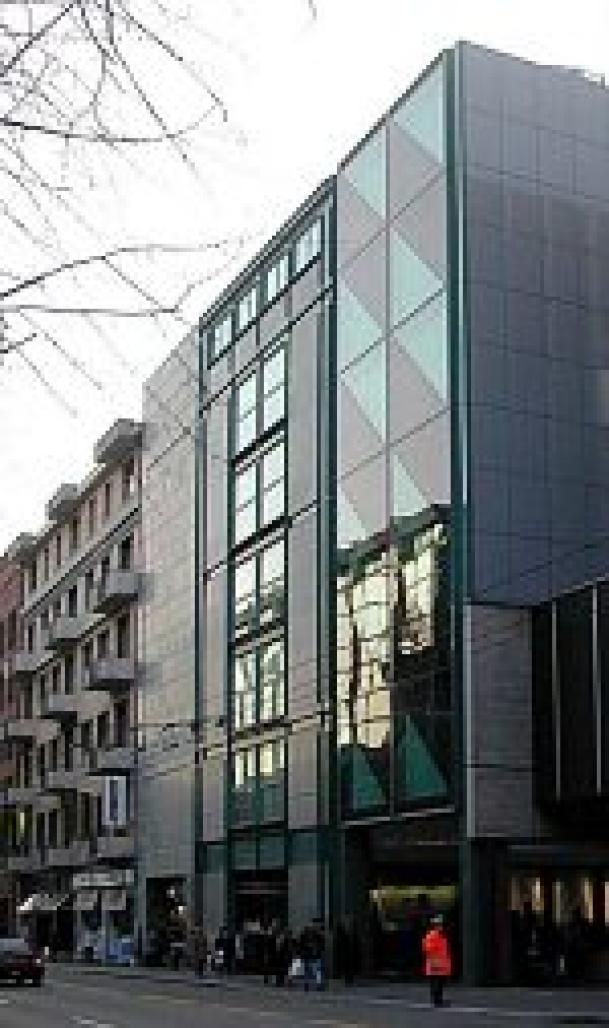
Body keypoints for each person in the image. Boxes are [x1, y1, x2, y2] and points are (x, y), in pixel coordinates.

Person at [422, 914, 452, 1008]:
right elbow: (429, 949)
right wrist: (434, 961)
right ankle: (437, 1001)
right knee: (436, 983)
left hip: (440, 963)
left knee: (439, 983)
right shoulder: (432, 936)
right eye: (439, 925)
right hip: (435, 963)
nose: (441, 927)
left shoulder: (439, 936)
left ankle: (438, 1000)